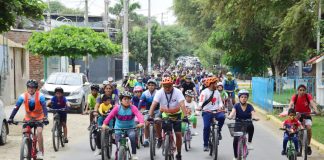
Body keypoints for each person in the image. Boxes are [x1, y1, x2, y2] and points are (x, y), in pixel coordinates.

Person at [148, 77, 188, 160]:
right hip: (164, 113)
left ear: (172, 85)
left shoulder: (178, 92)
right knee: (156, 121)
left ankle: (179, 153)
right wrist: (150, 116)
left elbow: (182, 105)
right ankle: (159, 138)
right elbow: (153, 104)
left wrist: (185, 116)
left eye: (169, 86)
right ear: (162, 86)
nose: (167, 88)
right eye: (165, 86)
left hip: (176, 114)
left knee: (178, 135)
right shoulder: (159, 92)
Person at [8, 80, 48, 159]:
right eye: (29, 87)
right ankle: (28, 144)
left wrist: (45, 118)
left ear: (36, 88)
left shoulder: (41, 96)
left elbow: (44, 107)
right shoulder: (23, 96)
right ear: (27, 88)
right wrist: (11, 118)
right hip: (28, 118)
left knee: (39, 132)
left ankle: (40, 152)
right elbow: (16, 107)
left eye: (33, 87)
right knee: (25, 132)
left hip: (39, 118)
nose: (31, 89)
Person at [102, 91, 144, 160]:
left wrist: (141, 122)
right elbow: (109, 116)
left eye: (128, 99)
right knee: (118, 145)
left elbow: (139, 115)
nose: (127, 101)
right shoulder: (117, 108)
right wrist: (104, 124)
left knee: (133, 137)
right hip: (118, 129)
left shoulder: (133, 108)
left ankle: (133, 154)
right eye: (125, 99)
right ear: (121, 100)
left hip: (130, 128)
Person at [288, 84, 319, 154]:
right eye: (300, 90)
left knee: (309, 128)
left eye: (303, 90)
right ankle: (296, 143)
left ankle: (308, 145)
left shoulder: (308, 96)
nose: (302, 92)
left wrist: (316, 110)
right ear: (298, 91)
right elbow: (291, 103)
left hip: (307, 115)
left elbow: (312, 103)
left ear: (305, 91)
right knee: (295, 128)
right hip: (297, 115)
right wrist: (289, 110)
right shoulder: (295, 97)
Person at [228, 89, 258, 160]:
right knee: (235, 140)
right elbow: (232, 113)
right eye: (242, 97)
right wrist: (230, 116)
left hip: (247, 124)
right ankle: (235, 156)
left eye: (245, 97)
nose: (243, 99)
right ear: (239, 98)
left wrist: (255, 117)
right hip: (238, 124)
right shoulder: (236, 105)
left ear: (247, 98)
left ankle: (249, 142)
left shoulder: (250, 106)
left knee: (251, 125)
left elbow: (253, 114)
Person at [196, 77, 225, 152]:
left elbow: (220, 102)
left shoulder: (217, 92)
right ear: (210, 84)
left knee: (222, 117)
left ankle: (218, 131)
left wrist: (221, 106)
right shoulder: (204, 92)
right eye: (215, 83)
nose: (216, 85)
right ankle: (205, 145)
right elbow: (201, 101)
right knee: (206, 127)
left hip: (216, 111)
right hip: (207, 112)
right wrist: (199, 106)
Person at [138, 79, 159, 147]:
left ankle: (158, 138)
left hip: (157, 111)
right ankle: (146, 139)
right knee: (146, 124)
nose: (151, 86)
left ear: (155, 86)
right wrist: (138, 110)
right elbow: (140, 103)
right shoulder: (144, 93)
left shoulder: (158, 93)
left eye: (152, 85)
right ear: (147, 86)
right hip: (147, 111)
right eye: (149, 85)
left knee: (157, 124)